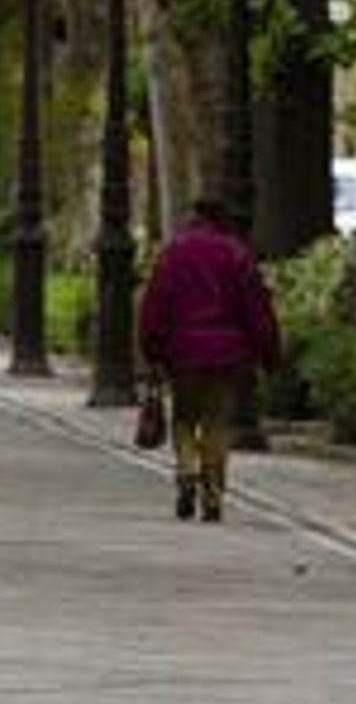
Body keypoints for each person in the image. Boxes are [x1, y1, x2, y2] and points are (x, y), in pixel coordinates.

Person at [139, 197, 280, 523]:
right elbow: (256, 310)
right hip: (226, 356)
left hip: (182, 353)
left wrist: (151, 350)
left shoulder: (174, 253)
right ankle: (212, 495)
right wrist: (269, 354)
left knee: (184, 418)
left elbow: (154, 305)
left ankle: (187, 471)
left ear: (195, 217)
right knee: (218, 423)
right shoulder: (236, 254)